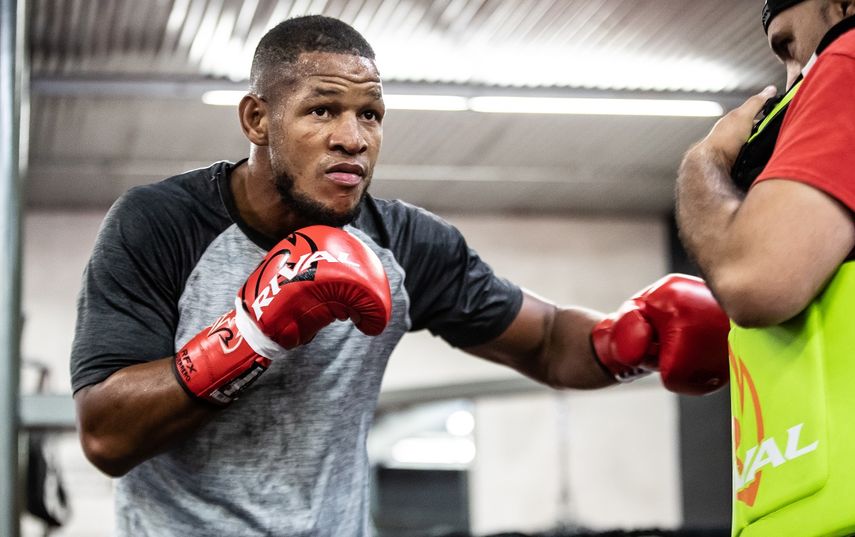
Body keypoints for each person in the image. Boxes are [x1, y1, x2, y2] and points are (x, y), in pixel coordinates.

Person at [71, 15, 730, 537]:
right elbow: (106, 434)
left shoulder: (405, 243)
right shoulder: (160, 224)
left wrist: (629, 341)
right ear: (256, 119)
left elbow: (548, 337)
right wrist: (249, 333)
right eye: (323, 110)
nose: (353, 138)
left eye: (370, 114)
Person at [676, 1, 855, 534]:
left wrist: (702, 162)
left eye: (787, 46)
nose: (792, 77)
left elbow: (756, 280)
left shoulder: (846, 59)